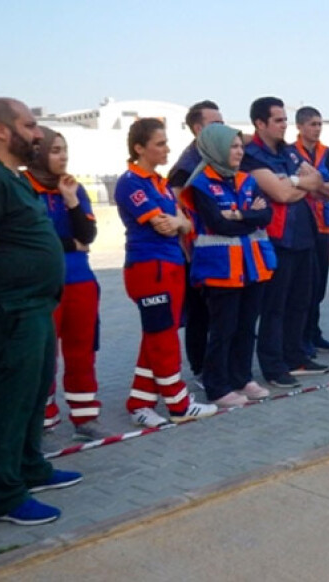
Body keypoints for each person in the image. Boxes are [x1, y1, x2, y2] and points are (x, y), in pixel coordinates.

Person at [0, 98, 83, 525]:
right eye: (29, 125)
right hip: (7, 310)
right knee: (8, 400)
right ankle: (3, 494)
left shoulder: (14, 178)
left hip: (35, 306)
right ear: (2, 130)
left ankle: (30, 467)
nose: (38, 133)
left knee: (33, 394)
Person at [114, 118, 218, 429]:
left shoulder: (159, 183)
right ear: (139, 148)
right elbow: (163, 224)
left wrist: (178, 222)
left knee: (157, 335)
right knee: (163, 338)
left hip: (171, 264)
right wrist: (175, 222)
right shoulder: (130, 182)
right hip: (149, 267)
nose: (167, 149)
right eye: (160, 144)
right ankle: (178, 402)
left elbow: (184, 223)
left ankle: (140, 402)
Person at [24, 127, 110, 441]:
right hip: (43, 285)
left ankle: (85, 417)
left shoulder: (73, 187)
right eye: (56, 150)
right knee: (43, 354)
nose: (63, 156)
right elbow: (34, 241)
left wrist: (72, 201)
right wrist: (69, 243)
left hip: (81, 282)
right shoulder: (23, 187)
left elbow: (87, 237)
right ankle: (44, 417)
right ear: (38, 152)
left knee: (82, 351)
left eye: (65, 149)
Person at [181, 124, 276, 408]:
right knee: (223, 329)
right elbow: (218, 224)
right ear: (216, 149)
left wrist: (237, 214)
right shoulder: (200, 185)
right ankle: (217, 385)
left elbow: (267, 215)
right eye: (233, 147)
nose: (239, 152)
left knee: (247, 326)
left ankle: (241, 377)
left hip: (252, 265)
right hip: (220, 269)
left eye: (240, 146)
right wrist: (249, 216)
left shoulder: (246, 179)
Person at [242, 97, 329, 388]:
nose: (284, 125)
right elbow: (278, 195)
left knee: (301, 301)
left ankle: (295, 358)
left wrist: (291, 182)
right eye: (278, 120)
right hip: (277, 240)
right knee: (275, 307)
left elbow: (315, 180)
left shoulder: (289, 152)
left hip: (305, 235)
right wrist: (295, 184)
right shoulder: (251, 155)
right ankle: (273, 366)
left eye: (284, 119)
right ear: (260, 123)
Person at [168, 100, 222, 383]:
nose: (221, 129)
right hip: (195, 252)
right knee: (200, 314)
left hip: (219, 248)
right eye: (215, 124)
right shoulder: (185, 166)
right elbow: (176, 211)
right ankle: (201, 369)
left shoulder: (218, 158)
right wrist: (187, 251)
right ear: (198, 128)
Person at [293, 106, 329, 357]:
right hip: (300, 226)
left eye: (320, 124)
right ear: (300, 126)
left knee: (319, 284)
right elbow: (296, 188)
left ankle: (314, 331)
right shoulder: (290, 154)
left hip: (323, 224)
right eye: (312, 124)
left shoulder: (328, 154)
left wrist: (314, 184)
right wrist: (315, 185)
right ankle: (301, 336)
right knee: (304, 286)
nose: (317, 128)